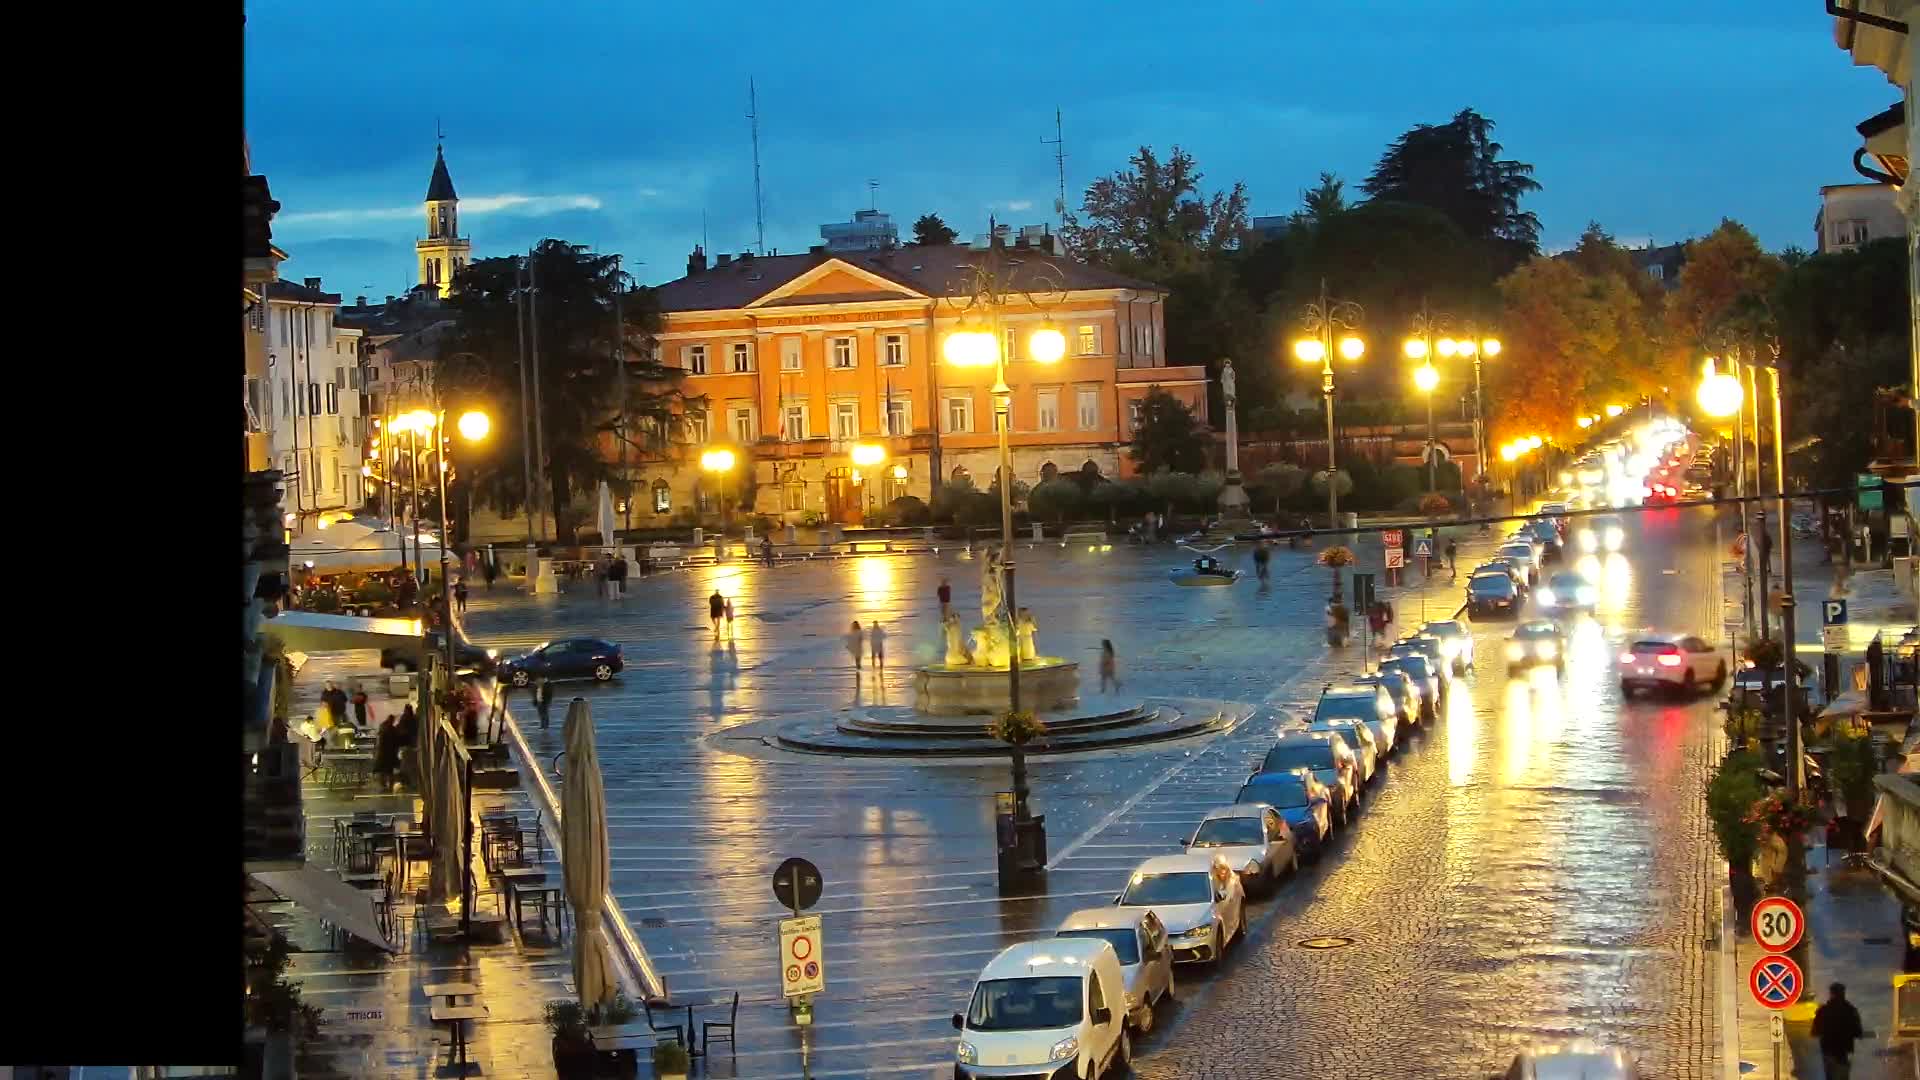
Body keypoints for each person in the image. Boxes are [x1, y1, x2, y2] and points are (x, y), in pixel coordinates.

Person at [1812, 982, 1866, 1079]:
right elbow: (1858, 1032)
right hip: (1844, 1051)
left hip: (1828, 1050)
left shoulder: (1823, 1010)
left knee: (1830, 1075)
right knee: (1843, 1076)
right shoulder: (1851, 1010)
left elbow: (1815, 1032)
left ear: (1831, 994)